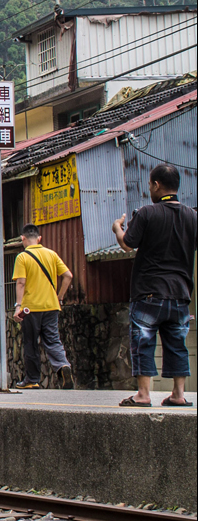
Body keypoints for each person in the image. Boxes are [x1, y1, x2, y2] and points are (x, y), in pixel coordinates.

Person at [112, 163, 195, 407]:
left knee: (143, 341)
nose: (150, 188)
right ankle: (178, 395)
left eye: (150, 184)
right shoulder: (192, 216)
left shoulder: (147, 213)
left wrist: (118, 229)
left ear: (156, 185)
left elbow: (128, 244)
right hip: (180, 293)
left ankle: (143, 395)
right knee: (177, 344)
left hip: (148, 292)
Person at [10, 224, 75, 389]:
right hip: (51, 306)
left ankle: (32, 380)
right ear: (40, 239)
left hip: (30, 308)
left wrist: (18, 306)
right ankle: (63, 366)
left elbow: (21, 282)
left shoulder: (22, 257)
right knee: (53, 340)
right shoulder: (51, 254)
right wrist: (59, 297)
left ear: (23, 239)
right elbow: (68, 276)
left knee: (31, 343)